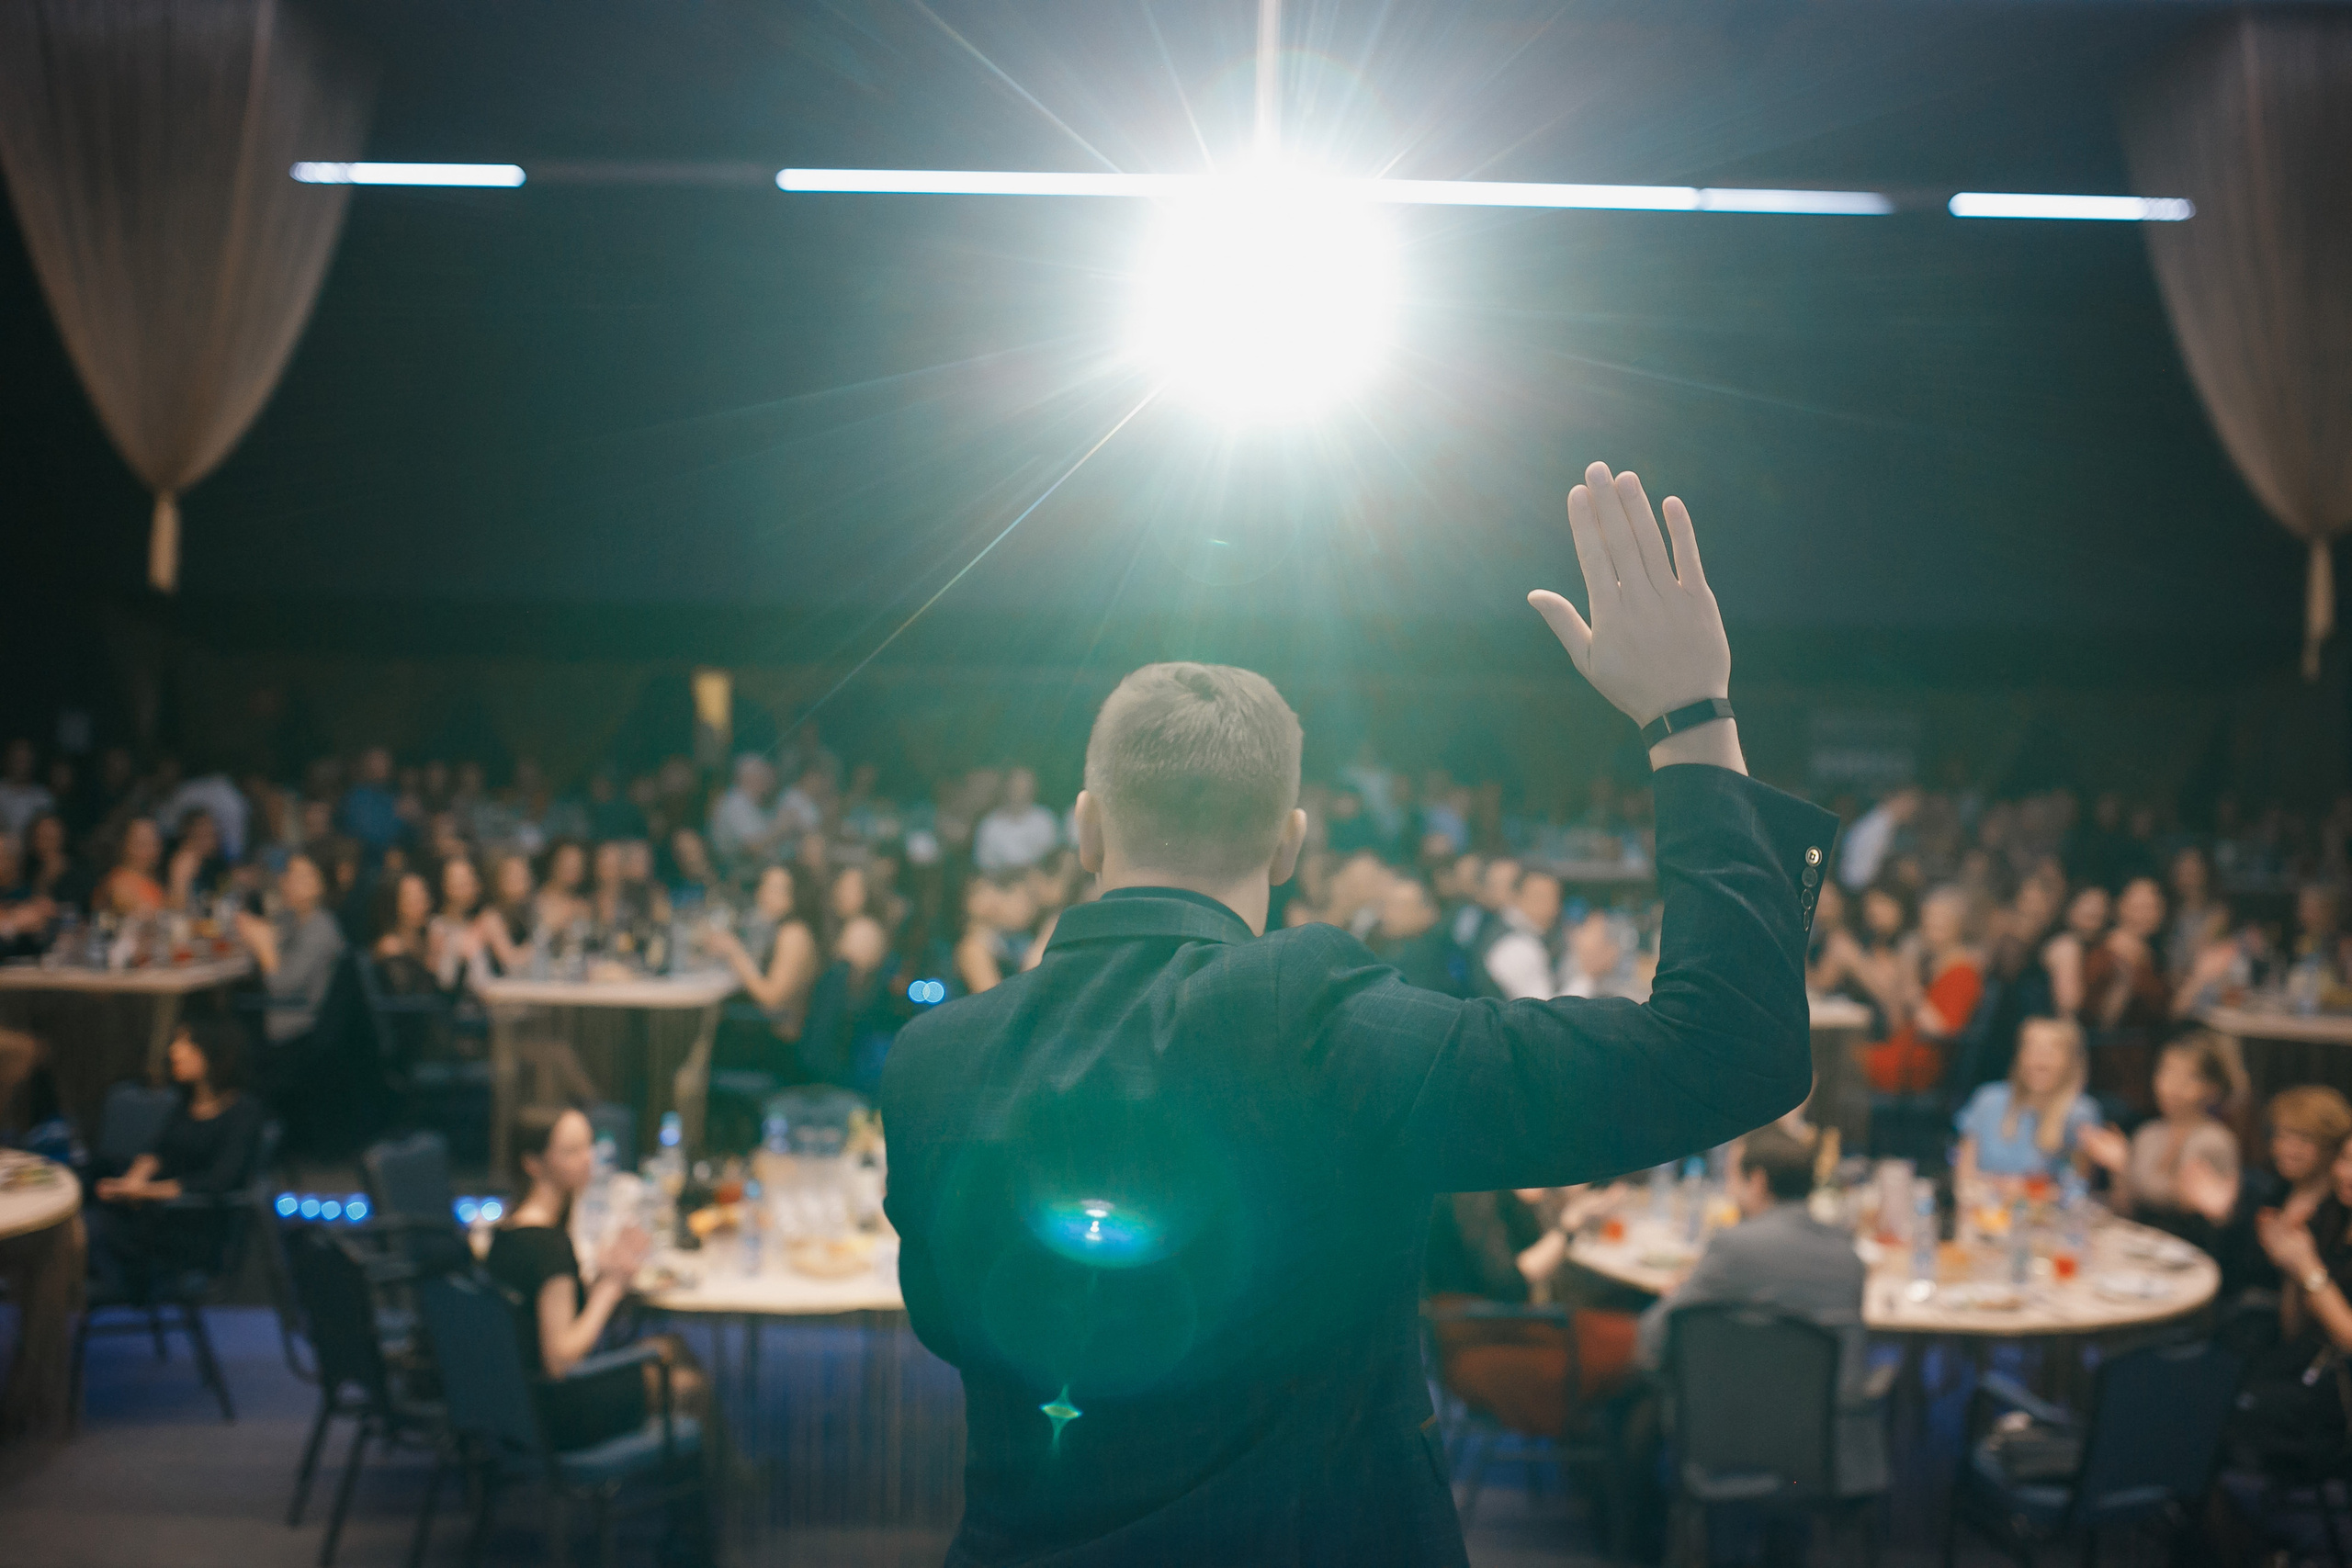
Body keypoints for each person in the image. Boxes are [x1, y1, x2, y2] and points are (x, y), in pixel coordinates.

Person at [880, 463, 1833, 1566]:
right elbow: (1728, 1053)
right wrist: (1689, 716)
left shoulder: (931, 1062)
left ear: (1087, 830)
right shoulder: (1318, 1025)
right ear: (1289, 843)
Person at [1635, 1124, 1884, 1497]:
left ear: (1757, 1181)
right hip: (1824, 1454)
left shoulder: (1733, 1248)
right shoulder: (1848, 1259)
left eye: (1734, 1177)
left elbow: (1650, 1344)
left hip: (1729, 1440)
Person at [483, 1108, 703, 1449]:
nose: (588, 1160)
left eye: (589, 1147)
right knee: (688, 1381)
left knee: (671, 1346)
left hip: (512, 1404)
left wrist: (603, 1275)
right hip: (555, 1414)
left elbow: (536, 1315)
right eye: (571, 1152)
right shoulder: (548, 1247)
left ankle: (706, 1477)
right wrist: (610, 1288)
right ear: (533, 1163)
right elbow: (560, 1360)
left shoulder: (508, 1233)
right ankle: (713, 1491)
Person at [85, 1021, 266, 1301]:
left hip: (188, 1226)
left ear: (214, 1053)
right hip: (152, 1214)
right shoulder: (185, 1103)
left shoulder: (243, 1112)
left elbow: (218, 1181)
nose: (174, 1051)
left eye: (186, 1044)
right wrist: (132, 1181)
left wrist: (142, 1191)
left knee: (80, 1232)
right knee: (86, 1188)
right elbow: (157, 1152)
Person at [2079, 1032, 2244, 1238]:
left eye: (2189, 1077)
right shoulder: (2148, 1134)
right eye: (2166, 1072)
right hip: (2142, 1251)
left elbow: (2210, 1223)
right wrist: (2119, 1169)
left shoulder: (2213, 1140)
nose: (2171, 1086)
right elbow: (2125, 1213)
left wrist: (2206, 1208)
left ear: (2212, 1088)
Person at [1860, 885, 1981, 1096]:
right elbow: (1895, 1025)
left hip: (1919, 1066)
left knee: (1839, 1060)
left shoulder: (1962, 971)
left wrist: (1915, 996)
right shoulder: (1932, 965)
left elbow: (1942, 1031)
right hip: (1903, 1051)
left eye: (1940, 923)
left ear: (1958, 926)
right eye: (1928, 922)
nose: (1931, 929)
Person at [1952, 1016, 2098, 1186]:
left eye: (2052, 1051)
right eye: (2031, 1048)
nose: (2039, 1059)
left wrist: (2016, 1188)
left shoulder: (2079, 1113)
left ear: (2070, 1062)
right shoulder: (1988, 1099)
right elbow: (1963, 1172)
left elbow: (2077, 1188)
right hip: (1984, 1209)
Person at [236, 852, 347, 1044]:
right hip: (283, 1018)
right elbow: (270, 936)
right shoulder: (292, 918)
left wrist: (264, 947)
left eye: (300, 876)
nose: (287, 881)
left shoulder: (321, 928)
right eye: (288, 873)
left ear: (320, 885)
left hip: (303, 1034)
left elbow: (280, 986)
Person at [707, 864, 820, 1035]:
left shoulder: (794, 934)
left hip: (778, 1038)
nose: (763, 894)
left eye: (775, 889)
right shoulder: (784, 929)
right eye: (763, 886)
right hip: (768, 1027)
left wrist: (735, 952)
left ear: (795, 895)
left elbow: (771, 1000)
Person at [1481, 869, 1565, 1000]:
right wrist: (1589, 975)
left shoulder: (1543, 935)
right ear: (1516, 896)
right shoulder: (1515, 947)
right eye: (1540, 897)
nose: (1553, 906)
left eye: (1555, 897)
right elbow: (1545, 1011)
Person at [974, 766, 1060, 874]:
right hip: (1002, 886)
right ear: (1006, 788)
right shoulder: (989, 825)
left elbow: (1053, 862)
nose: (1019, 791)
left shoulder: (1045, 820)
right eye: (1015, 786)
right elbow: (985, 868)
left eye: (1024, 786)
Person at [94, 818, 166, 918]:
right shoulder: (119, 884)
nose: (151, 850)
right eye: (142, 844)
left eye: (154, 843)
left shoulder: (150, 878)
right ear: (123, 845)